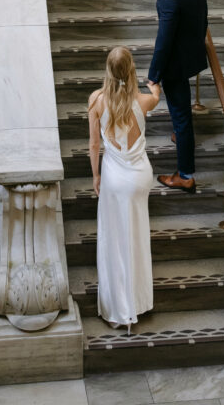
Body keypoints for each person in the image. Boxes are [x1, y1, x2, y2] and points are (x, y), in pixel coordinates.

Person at [88, 45, 161, 332]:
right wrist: (154, 87)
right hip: (140, 176)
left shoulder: (96, 100)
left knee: (114, 242)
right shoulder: (144, 101)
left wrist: (96, 176)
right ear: (131, 71)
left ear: (108, 70)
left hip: (115, 179)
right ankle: (138, 302)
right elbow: (156, 96)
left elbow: (95, 145)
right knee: (137, 237)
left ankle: (117, 310)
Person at [148, 0, 208, 193]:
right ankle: (179, 136)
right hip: (191, 59)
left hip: (174, 66)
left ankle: (185, 175)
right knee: (181, 118)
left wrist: (154, 75)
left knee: (182, 119)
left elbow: (165, 39)